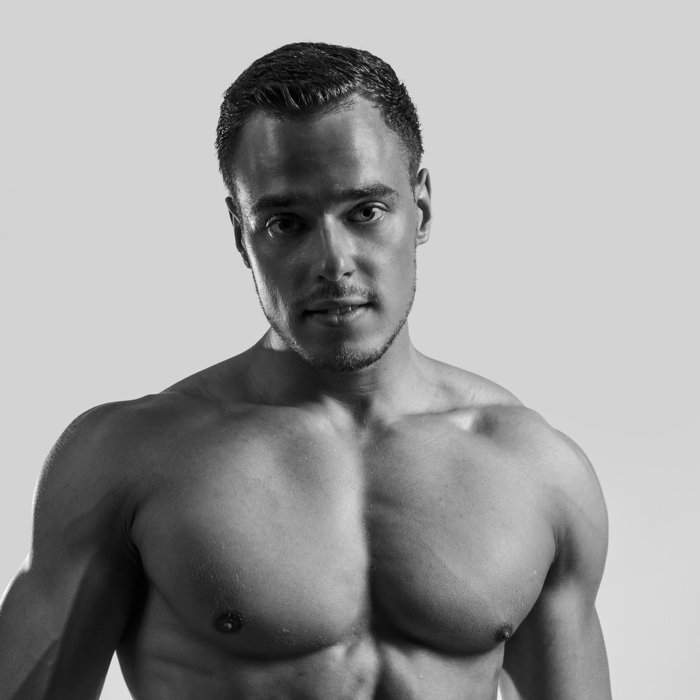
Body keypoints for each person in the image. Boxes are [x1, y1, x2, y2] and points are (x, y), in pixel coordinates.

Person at [0, 42, 611, 699]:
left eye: (365, 212)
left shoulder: (535, 470)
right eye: (286, 223)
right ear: (240, 232)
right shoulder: (127, 460)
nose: (333, 261)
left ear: (423, 208)